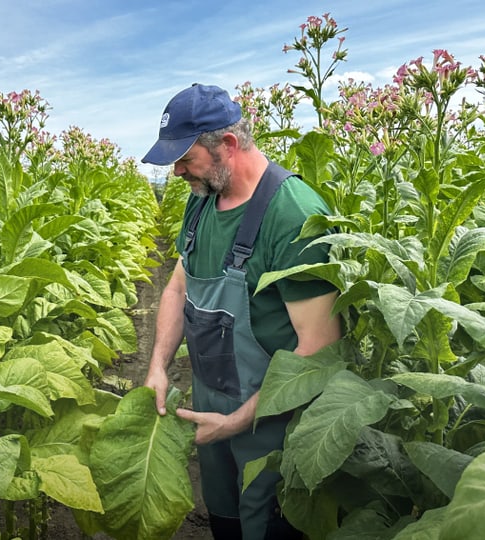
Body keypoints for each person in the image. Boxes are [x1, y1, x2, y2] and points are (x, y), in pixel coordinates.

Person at [141, 84, 341, 539]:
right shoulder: (201, 201)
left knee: (267, 526)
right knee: (225, 522)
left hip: (273, 425)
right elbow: (178, 286)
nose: (176, 171)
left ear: (228, 144)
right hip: (211, 407)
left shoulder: (293, 216)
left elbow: (319, 348)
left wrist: (234, 422)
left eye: (185, 158)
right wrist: (157, 366)